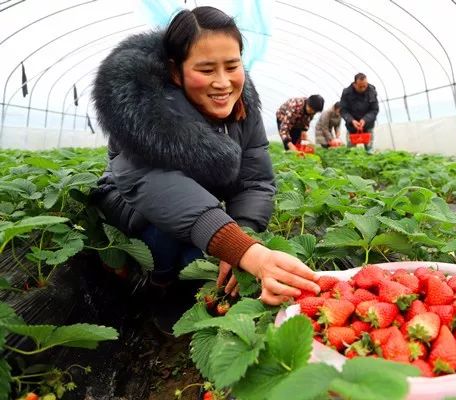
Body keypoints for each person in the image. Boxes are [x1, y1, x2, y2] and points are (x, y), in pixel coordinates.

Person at [91, 6, 320, 307]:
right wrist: (244, 251)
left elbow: (256, 181)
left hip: (192, 205)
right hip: (135, 208)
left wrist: (244, 233)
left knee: (205, 263)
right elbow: (155, 186)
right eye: (206, 70)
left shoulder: (243, 107)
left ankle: (187, 285)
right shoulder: (141, 109)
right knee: (175, 247)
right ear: (176, 71)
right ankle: (157, 281)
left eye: (232, 65)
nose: (223, 82)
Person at [340, 73, 379, 152]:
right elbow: (343, 110)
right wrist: (352, 120)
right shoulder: (347, 93)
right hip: (352, 126)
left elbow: (374, 110)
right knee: (351, 151)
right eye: (360, 86)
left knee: (369, 151)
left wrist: (365, 120)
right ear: (354, 84)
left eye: (365, 85)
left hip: (368, 125)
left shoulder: (372, 91)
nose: (363, 88)